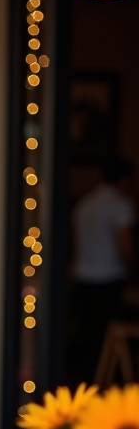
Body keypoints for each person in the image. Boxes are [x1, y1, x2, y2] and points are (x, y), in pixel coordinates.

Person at [71, 159, 135, 382]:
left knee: (89, 336)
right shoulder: (120, 205)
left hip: (83, 278)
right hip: (109, 280)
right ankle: (115, 383)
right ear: (125, 179)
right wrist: (132, 274)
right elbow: (126, 247)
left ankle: (88, 382)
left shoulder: (84, 203)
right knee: (111, 337)